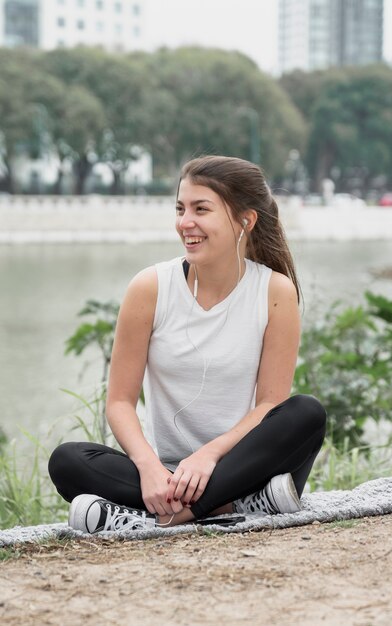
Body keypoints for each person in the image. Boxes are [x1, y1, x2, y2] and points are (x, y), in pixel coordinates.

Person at [49, 155, 326, 533]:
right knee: (67, 461)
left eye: (201, 209)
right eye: (180, 209)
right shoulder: (150, 287)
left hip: (245, 463)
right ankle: (234, 504)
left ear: (246, 220)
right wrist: (148, 467)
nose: (185, 223)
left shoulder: (275, 291)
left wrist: (210, 455)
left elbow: (269, 405)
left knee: (306, 414)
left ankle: (163, 517)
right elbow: (119, 402)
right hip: (168, 473)